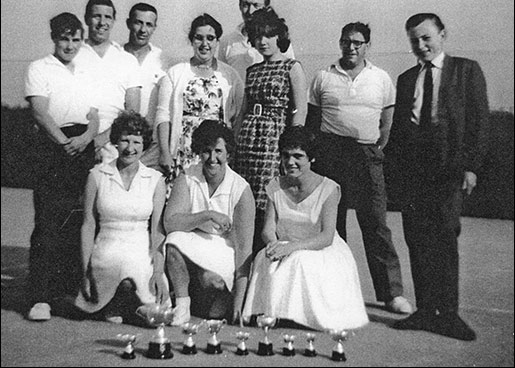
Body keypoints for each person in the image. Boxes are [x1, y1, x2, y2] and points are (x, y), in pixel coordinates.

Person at [388, 13, 489, 341]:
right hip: (414, 170)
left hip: (448, 167)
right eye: (414, 40)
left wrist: (471, 166)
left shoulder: (466, 70)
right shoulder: (406, 79)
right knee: (416, 238)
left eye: (426, 37)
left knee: (445, 237)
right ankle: (424, 310)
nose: (421, 45)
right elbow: (401, 131)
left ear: (442, 35)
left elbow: (478, 122)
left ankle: (449, 315)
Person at [306, 22, 412, 315]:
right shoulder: (323, 76)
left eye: (357, 42)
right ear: (340, 43)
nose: (350, 47)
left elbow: (387, 121)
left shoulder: (380, 78)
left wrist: (375, 148)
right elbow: (312, 122)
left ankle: (391, 294)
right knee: (331, 225)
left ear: (367, 45)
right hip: (330, 154)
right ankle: (333, 290)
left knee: (376, 223)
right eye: (345, 41)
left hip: (366, 155)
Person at [242, 126, 369, 331]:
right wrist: (274, 245)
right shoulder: (274, 185)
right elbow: (268, 229)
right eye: (285, 155)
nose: (290, 162)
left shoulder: (329, 189)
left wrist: (292, 248)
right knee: (264, 258)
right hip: (284, 244)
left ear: (312, 159)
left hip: (320, 249)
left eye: (298, 156)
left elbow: (327, 236)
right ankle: (274, 312)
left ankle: (297, 315)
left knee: (300, 260)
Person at [24, 12, 99, 321]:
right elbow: (40, 113)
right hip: (53, 148)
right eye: (64, 38)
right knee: (48, 221)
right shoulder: (39, 68)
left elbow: (94, 116)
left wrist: (85, 139)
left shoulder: (86, 71)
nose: (70, 45)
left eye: (75, 39)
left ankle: (69, 293)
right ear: (54, 38)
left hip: (83, 144)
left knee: (79, 221)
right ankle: (40, 297)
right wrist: (65, 142)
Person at [74, 111, 169, 324]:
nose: (130, 148)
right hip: (107, 246)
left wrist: (159, 272)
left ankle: (128, 302)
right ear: (115, 142)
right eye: (124, 140)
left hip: (140, 247)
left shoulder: (155, 180)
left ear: (144, 145)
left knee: (136, 269)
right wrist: (84, 272)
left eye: (137, 141)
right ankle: (119, 302)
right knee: (116, 263)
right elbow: (88, 225)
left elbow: (158, 230)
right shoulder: (97, 175)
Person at [160, 120, 255, 325]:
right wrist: (207, 215)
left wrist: (239, 305)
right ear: (198, 152)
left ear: (228, 153)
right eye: (206, 151)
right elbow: (170, 222)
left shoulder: (241, 189)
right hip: (193, 238)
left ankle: (211, 295)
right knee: (174, 241)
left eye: (219, 151)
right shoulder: (187, 177)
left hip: (224, 248)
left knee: (213, 294)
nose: (212, 158)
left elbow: (244, 250)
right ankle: (182, 306)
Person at [234, 7, 308, 257]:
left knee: (267, 200)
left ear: (279, 37)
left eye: (268, 36)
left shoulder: (291, 67)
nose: (263, 41)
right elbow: (243, 111)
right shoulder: (252, 71)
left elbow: (300, 110)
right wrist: (235, 141)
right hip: (248, 140)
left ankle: (267, 259)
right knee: (245, 199)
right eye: (257, 36)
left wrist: (292, 148)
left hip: (274, 139)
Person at [155, 13, 244, 179]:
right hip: (182, 153)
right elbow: (163, 116)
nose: (205, 44)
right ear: (191, 40)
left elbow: (239, 114)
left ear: (217, 41)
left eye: (210, 38)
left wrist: (231, 148)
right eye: (199, 38)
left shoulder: (230, 75)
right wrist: (165, 153)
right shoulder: (175, 73)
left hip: (214, 156)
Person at [76, 0, 141, 163]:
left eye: (107, 17)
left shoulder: (127, 60)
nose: (102, 22)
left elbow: (132, 111)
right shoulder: (74, 55)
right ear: (86, 19)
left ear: (113, 21)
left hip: (114, 143)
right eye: (97, 16)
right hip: (77, 140)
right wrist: (86, 141)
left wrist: (100, 140)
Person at [123, 2, 169, 170]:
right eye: (138, 22)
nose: (143, 30)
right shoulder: (116, 56)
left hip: (151, 148)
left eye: (149, 24)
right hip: (120, 145)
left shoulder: (163, 60)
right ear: (129, 23)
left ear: (155, 27)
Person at [218, 0, 295, 81]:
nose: (250, 11)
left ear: (266, 7)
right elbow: (222, 79)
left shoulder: (277, 38)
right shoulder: (227, 41)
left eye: (256, 5)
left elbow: (291, 74)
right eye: (245, 5)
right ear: (239, 6)